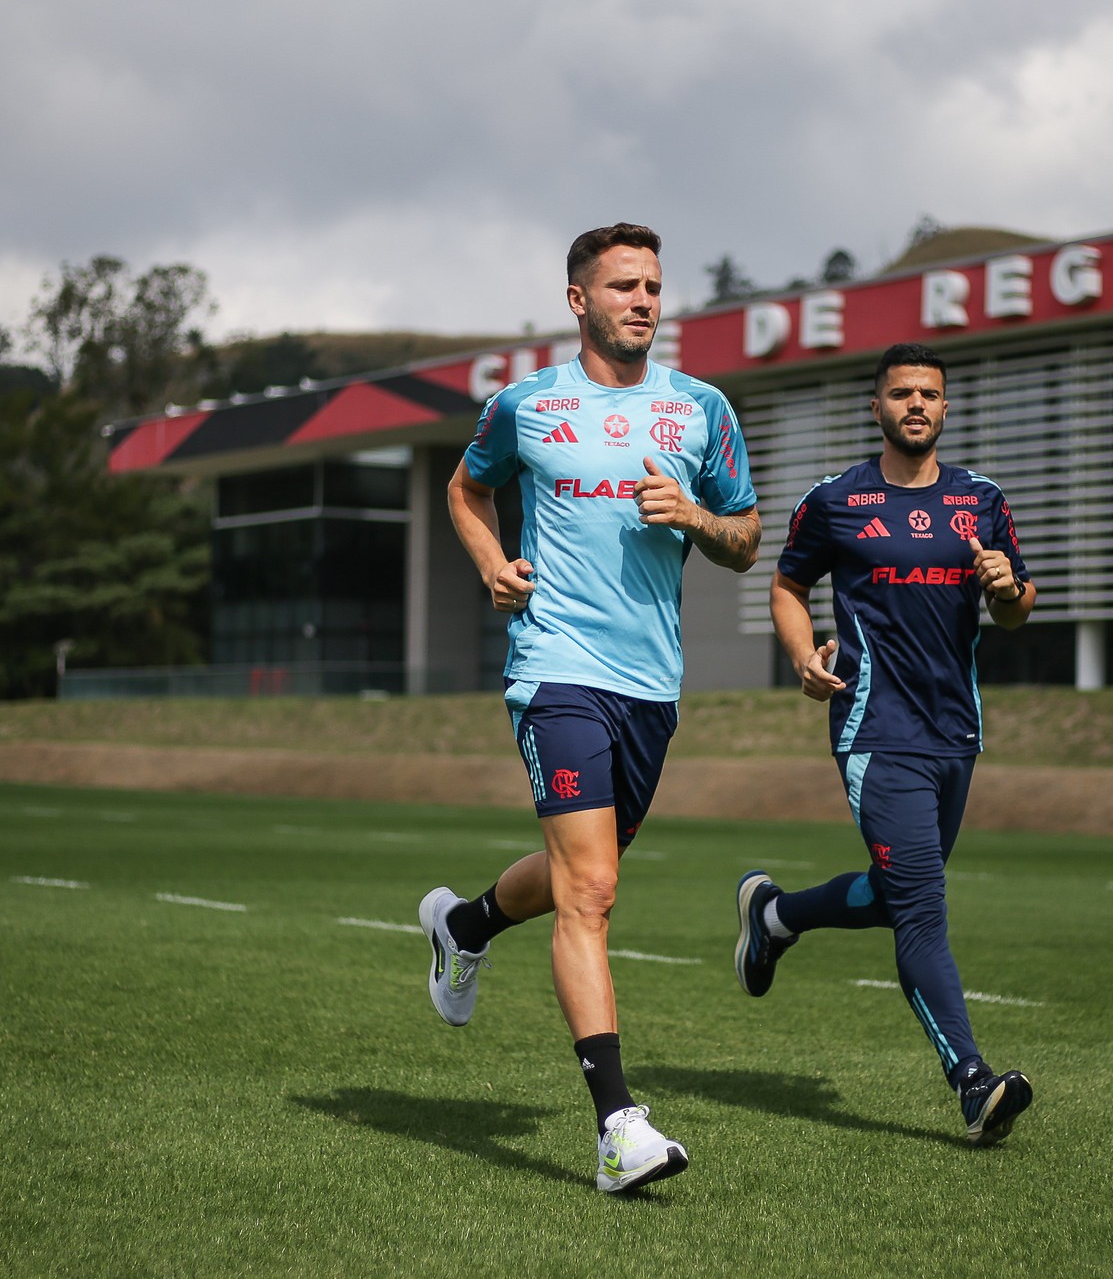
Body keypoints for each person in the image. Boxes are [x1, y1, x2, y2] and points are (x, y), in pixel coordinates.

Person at [420, 222, 761, 1193]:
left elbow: (745, 537)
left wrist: (694, 516)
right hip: (555, 670)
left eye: (652, 285)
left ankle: (466, 925)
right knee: (594, 890)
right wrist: (493, 567)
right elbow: (464, 491)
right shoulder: (524, 407)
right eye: (622, 286)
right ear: (579, 301)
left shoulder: (701, 409)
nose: (642, 301)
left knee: (585, 872)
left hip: (652, 686)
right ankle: (617, 1127)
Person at [736, 341, 1038, 1146]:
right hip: (873, 728)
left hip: (955, 730)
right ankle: (971, 1081)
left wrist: (1009, 588)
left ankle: (774, 915)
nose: (915, 405)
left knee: (896, 891)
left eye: (928, 394)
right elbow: (787, 584)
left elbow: (1017, 606)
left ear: (944, 407)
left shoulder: (981, 499)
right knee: (922, 909)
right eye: (901, 393)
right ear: (876, 407)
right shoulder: (835, 499)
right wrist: (801, 655)